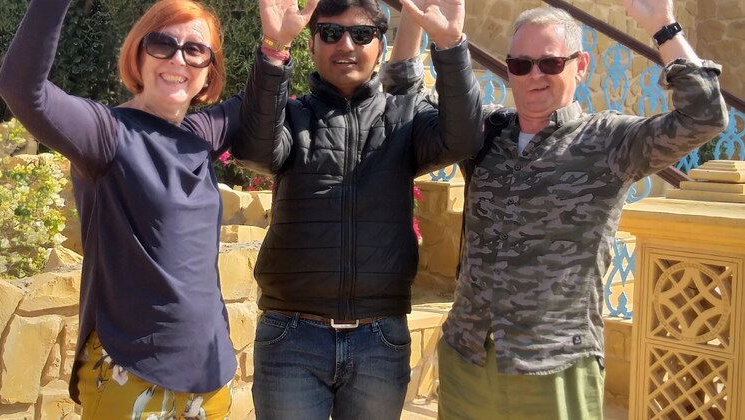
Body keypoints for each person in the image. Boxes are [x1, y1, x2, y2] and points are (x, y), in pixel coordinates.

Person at [384, 0, 729, 418]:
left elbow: (704, 116)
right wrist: (412, 17)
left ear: (580, 66)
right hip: (468, 359)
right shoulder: (487, 133)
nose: (534, 76)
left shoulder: (608, 141)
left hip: (556, 367)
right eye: (520, 64)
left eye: (549, 63)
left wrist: (663, 26)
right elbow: (404, 102)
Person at [230, 0, 483, 418]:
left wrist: (451, 46)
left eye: (362, 35)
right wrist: (274, 50)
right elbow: (255, 150)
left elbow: (463, 139)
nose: (345, 45)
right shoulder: (292, 117)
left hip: (379, 339)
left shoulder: (405, 117)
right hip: (292, 336)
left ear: (380, 46)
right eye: (330, 33)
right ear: (312, 45)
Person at [0, 0, 242, 417]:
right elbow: (22, 90)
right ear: (138, 54)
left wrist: (276, 48)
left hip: (209, 378)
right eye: (162, 44)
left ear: (209, 71)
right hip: (128, 374)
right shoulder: (106, 134)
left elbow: (256, 103)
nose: (178, 59)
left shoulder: (199, 133)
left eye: (195, 50)